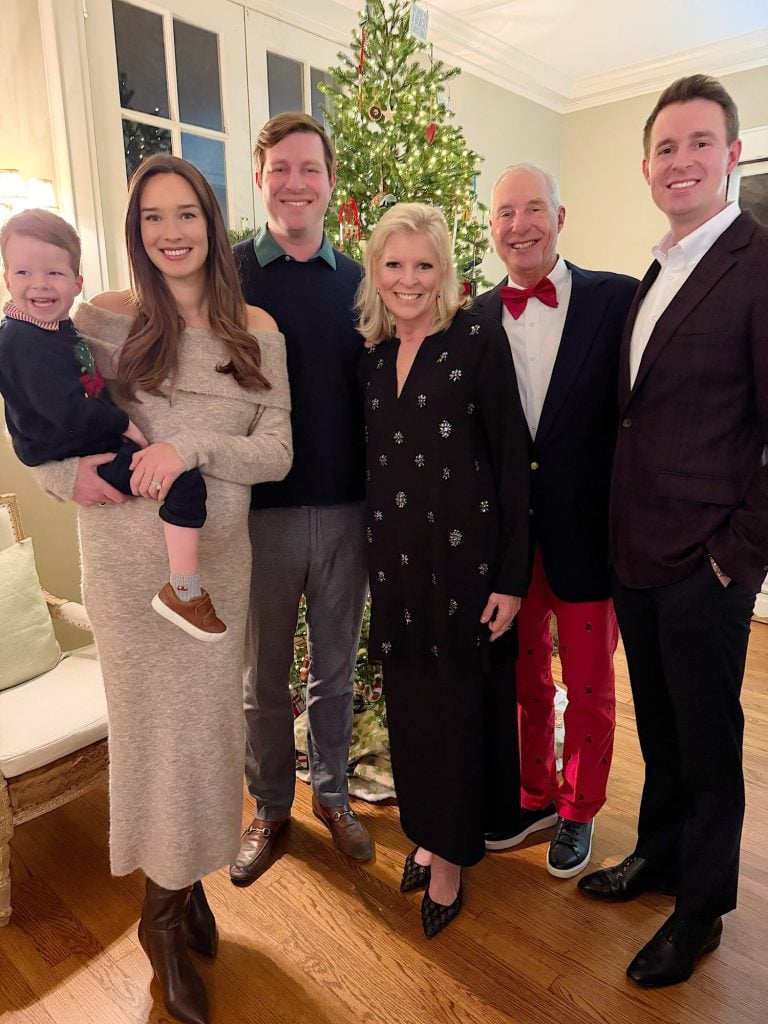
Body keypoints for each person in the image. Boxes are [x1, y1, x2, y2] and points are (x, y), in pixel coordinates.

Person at [27, 154, 292, 1024]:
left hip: (210, 575)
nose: (171, 232)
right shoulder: (102, 319)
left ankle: (184, 885)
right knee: (152, 743)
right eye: (152, 218)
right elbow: (40, 420)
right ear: (136, 231)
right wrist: (74, 482)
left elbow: (277, 452)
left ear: (213, 223)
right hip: (123, 563)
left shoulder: (258, 327)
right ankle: (161, 923)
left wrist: (194, 449)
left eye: (187, 214)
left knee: (207, 740)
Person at [579, 75, 768, 988]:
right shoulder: (660, 267)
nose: (681, 160)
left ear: (731, 156)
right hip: (637, 556)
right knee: (661, 729)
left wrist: (736, 560)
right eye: (666, 147)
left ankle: (701, 912)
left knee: (707, 746)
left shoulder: (759, 265)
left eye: (700, 143)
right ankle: (658, 857)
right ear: (648, 167)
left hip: (706, 567)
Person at [358, 202, 530, 937]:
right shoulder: (367, 357)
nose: (408, 279)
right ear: (376, 272)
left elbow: (516, 465)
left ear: (445, 272)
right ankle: (426, 832)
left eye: (423, 265)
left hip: (465, 567)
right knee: (412, 711)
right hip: (396, 569)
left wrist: (512, 578)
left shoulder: (477, 341)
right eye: (393, 265)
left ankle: (455, 857)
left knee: (458, 713)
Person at [473, 165, 638, 878]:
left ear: (560, 216)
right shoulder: (473, 315)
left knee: (592, 685)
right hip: (507, 542)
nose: (520, 225)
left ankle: (579, 809)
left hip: (588, 535)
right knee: (525, 677)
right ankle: (534, 792)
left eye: (533, 209)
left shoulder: (618, 299)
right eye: (506, 213)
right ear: (492, 228)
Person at [230, 113, 372, 887]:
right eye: (280, 167)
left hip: (348, 509)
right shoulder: (229, 277)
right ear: (261, 177)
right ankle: (270, 806)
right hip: (260, 514)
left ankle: (333, 795)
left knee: (336, 669)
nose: (295, 182)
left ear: (329, 182)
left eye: (309, 168)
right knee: (263, 680)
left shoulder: (358, 282)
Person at [0, 209, 227, 643]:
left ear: (76, 282)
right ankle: (185, 590)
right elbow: (58, 411)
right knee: (183, 484)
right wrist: (121, 422)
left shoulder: (59, 328)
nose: (41, 284)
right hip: (77, 451)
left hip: (84, 444)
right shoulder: (20, 339)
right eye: (25, 271)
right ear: (7, 277)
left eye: (54, 272)